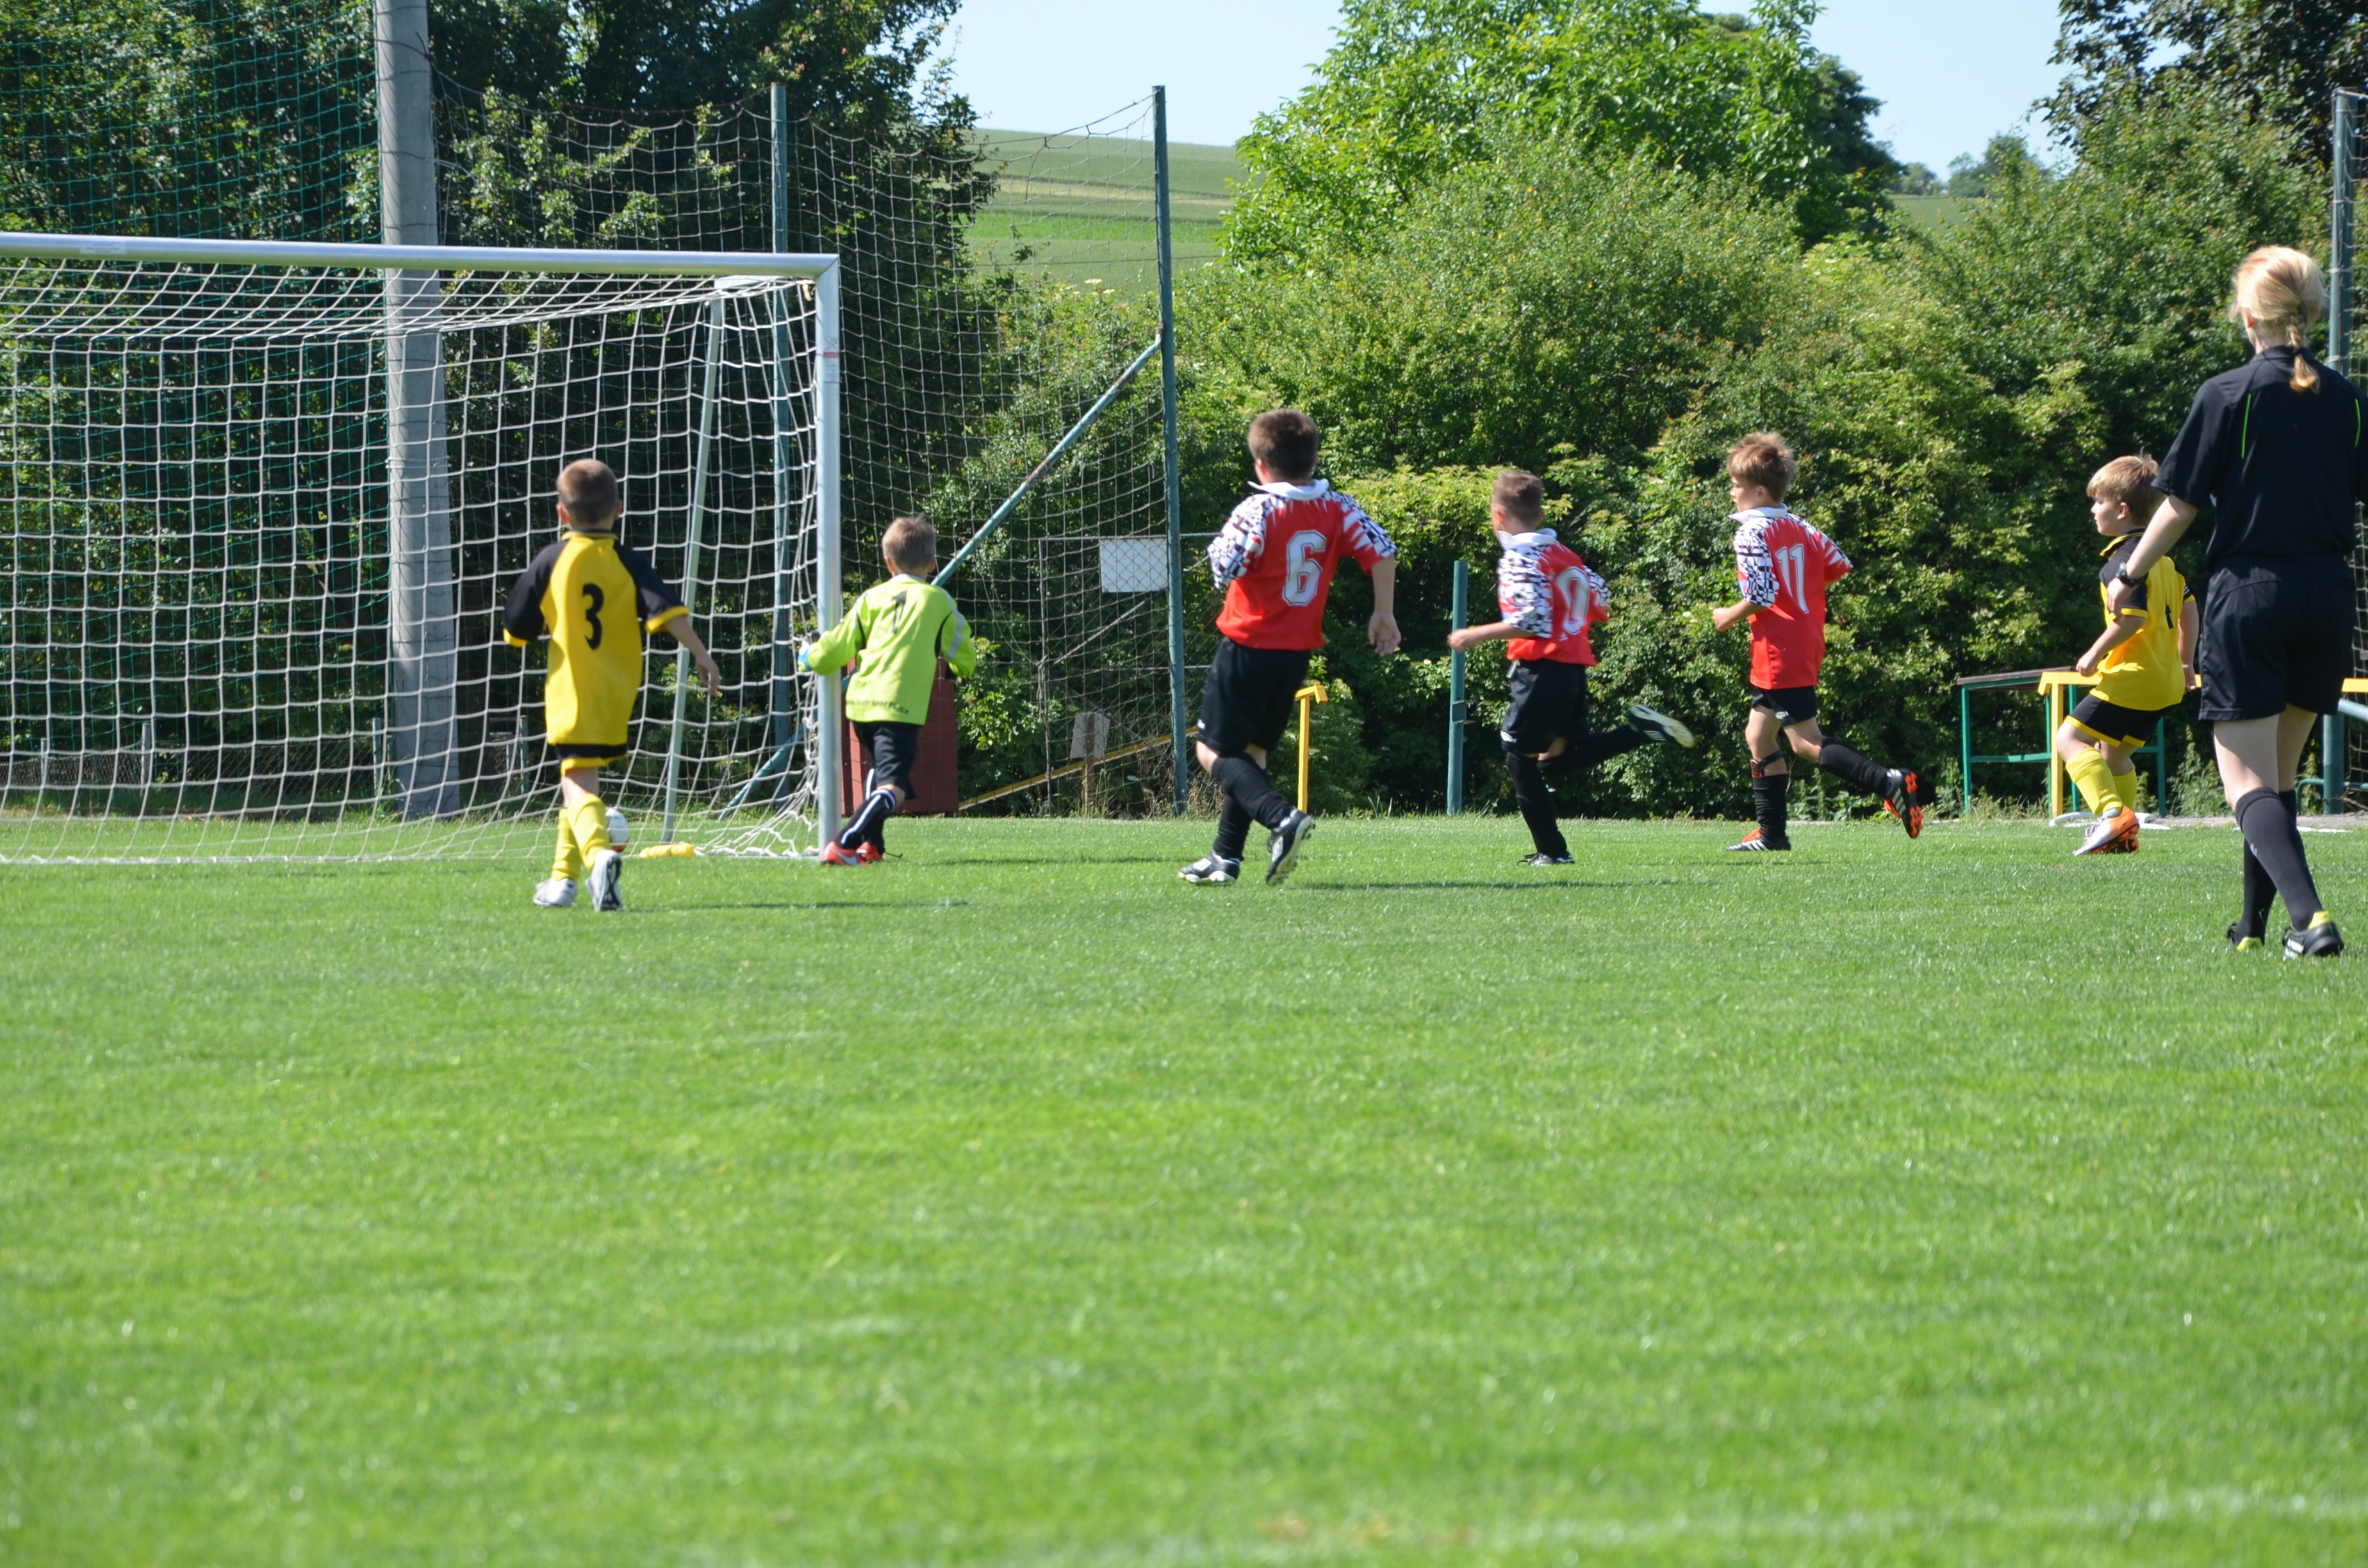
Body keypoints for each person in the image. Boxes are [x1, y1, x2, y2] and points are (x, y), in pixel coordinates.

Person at [2106, 245, 2365, 957]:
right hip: (2328, 597)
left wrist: (2130, 572)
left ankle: (2311, 920)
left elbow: (2179, 505)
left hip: (2252, 595)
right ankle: (2252, 927)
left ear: (2247, 317)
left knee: (2245, 783)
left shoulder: (2228, 393)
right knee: (2275, 781)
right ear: (2312, 312)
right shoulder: (2348, 399)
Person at [1180, 409, 1399, 886]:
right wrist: (1383, 612)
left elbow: (1225, 566)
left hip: (1248, 646)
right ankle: (1225, 857)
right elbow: (1382, 548)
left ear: (1261, 465)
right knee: (1253, 754)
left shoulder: (1257, 510)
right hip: (1295, 653)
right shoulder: (1338, 507)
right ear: (1313, 460)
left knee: (1211, 751)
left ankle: (1282, 818)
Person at [504, 457, 721, 912]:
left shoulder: (552, 560)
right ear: (618, 509)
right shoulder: (628, 560)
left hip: (572, 688)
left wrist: (544, 622)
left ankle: (599, 857)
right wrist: (702, 656)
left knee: (577, 782)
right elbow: (667, 610)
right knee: (579, 776)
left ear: (562, 513)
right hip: (618, 690)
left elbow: (517, 630)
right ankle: (562, 882)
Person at [1446, 471, 1694, 864]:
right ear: (1541, 514)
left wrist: (1473, 634)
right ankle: (1638, 731)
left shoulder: (1519, 558)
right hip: (1573, 669)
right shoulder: (1563, 555)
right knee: (1553, 762)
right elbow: (1601, 594)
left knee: (1519, 759)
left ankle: (1553, 851)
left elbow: (1533, 620)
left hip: (1541, 670)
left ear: (1498, 516)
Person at [1708, 432, 1928, 851]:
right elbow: (1838, 564)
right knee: (1759, 736)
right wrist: (1802, 597)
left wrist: (1726, 616)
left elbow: (1761, 595)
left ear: (1759, 491)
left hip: (1779, 648)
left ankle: (1888, 782)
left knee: (1806, 743)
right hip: (1803, 640)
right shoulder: (1801, 526)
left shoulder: (1750, 533)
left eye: (1736, 486)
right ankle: (1772, 836)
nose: (1732, 493)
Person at [799, 516, 978, 865]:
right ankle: (845, 843)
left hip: (862, 704)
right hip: (899, 708)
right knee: (894, 789)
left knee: (880, 773)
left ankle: (872, 846)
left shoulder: (871, 598)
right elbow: (964, 653)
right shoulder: (938, 601)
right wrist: (959, 669)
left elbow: (837, 647)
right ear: (933, 562)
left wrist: (810, 656)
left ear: (888, 562)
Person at [2058, 455, 2198, 856]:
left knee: (2069, 738)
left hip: (2133, 676)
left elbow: (2133, 620)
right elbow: (2190, 609)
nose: (2092, 509)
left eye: (2098, 501)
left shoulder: (2123, 563)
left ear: (2121, 511)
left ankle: (2110, 814)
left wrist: (2093, 653)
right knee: (2114, 754)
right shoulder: (2165, 562)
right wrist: (2186, 662)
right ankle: (2125, 833)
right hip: (2166, 682)